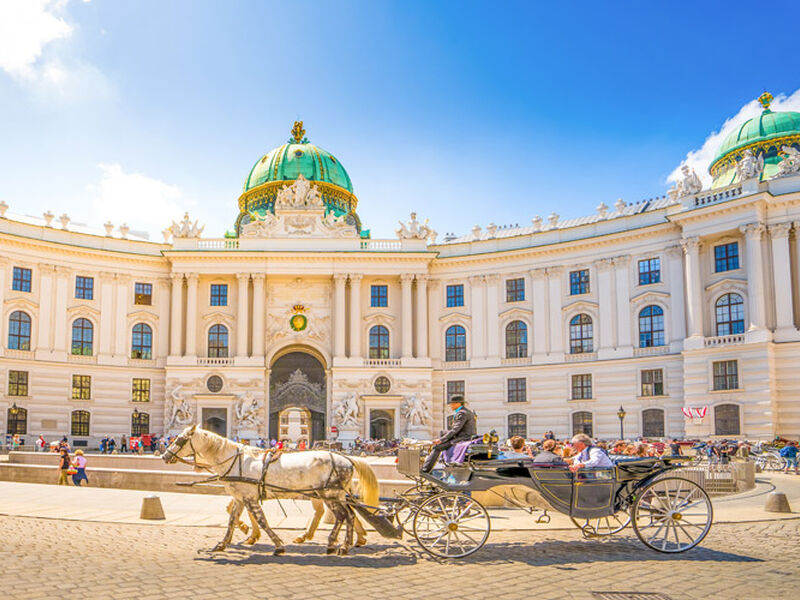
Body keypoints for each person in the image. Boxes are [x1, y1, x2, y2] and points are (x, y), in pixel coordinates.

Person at [422, 395, 477, 472]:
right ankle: (440, 462)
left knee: (437, 447)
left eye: (452, 403)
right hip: (463, 435)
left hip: (463, 437)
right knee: (442, 433)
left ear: (458, 404)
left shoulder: (462, 413)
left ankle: (425, 469)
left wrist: (441, 440)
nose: (450, 405)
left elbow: (455, 429)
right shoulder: (465, 411)